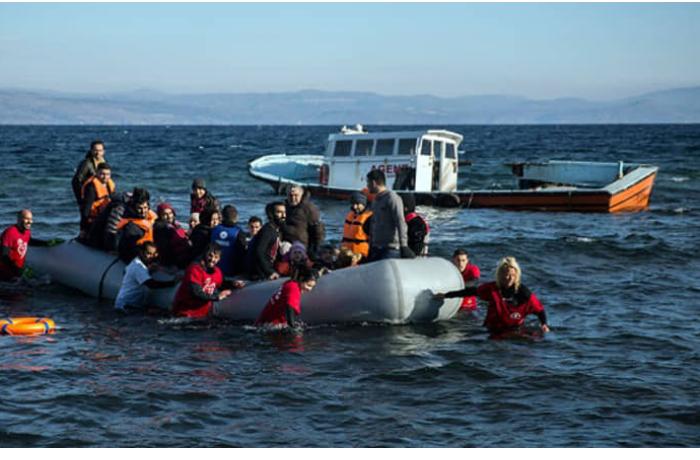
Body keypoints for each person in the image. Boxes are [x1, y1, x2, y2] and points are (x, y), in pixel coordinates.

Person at [435, 256, 550, 336]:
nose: (509, 278)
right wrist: (446, 295)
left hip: (514, 330)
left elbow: (539, 310)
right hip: (491, 330)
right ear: (500, 275)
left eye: (512, 275)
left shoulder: (524, 293)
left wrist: (544, 324)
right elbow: (472, 291)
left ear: (517, 275)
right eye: (506, 275)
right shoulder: (492, 289)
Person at [114, 242, 179, 312]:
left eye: (153, 254)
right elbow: (151, 284)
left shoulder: (137, 262)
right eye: (148, 253)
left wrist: (148, 271)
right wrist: (173, 283)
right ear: (141, 252)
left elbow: (126, 271)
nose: (151, 257)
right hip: (126, 305)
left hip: (131, 304)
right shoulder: (138, 267)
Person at [172, 243, 233, 318]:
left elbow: (221, 284)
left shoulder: (217, 272)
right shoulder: (194, 269)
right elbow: (196, 292)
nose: (212, 259)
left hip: (203, 315)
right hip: (184, 313)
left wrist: (233, 284)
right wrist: (217, 297)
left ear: (219, 259)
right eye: (210, 255)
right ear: (205, 254)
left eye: (216, 257)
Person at [365, 169, 415, 261]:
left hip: (390, 249)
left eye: (368, 183)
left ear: (374, 183)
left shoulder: (392, 198)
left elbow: (400, 222)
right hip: (376, 248)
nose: (367, 186)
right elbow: (373, 224)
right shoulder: (375, 201)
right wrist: (370, 246)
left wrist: (404, 246)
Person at [0, 210, 47, 281]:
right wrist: (18, 270)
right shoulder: (10, 232)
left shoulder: (27, 231)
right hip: (4, 274)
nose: (30, 222)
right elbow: (4, 256)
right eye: (27, 219)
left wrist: (47, 243)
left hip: (17, 272)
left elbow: (29, 241)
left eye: (31, 219)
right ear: (19, 219)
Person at [282, 185, 325, 258]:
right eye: (290, 195)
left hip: (302, 246)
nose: (293, 198)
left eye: (296, 195)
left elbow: (318, 229)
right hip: (285, 245)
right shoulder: (283, 207)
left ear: (301, 195)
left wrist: (316, 248)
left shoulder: (309, 208)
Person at [116, 188, 157, 263]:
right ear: (134, 208)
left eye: (145, 208)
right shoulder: (131, 227)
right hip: (137, 256)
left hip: (149, 251)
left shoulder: (148, 217)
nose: (143, 211)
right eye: (139, 208)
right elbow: (128, 253)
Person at [247, 201, 285, 281]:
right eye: (279, 212)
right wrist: (269, 272)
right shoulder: (267, 231)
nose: (283, 215)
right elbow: (258, 252)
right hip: (260, 275)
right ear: (271, 214)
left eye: (284, 212)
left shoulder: (275, 229)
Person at [211, 205, 247, 277]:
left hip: (214, 268)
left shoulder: (214, 230)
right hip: (232, 271)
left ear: (222, 216)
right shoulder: (239, 232)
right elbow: (242, 253)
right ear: (236, 217)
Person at [80, 162, 116, 234]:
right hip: (94, 220)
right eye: (102, 174)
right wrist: (83, 228)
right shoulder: (91, 187)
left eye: (108, 174)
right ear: (96, 173)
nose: (105, 177)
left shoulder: (109, 184)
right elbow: (86, 209)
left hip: (106, 217)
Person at [153, 202, 191, 268]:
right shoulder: (161, 228)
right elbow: (165, 249)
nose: (169, 216)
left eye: (170, 213)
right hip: (173, 261)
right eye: (165, 214)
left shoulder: (175, 225)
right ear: (160, 215)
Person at [71, 140, 106, 206]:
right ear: (91, 151)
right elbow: (76, 181)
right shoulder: (86, 163)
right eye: (95, 150)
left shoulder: (103, 162)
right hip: (88, 196)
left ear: (103, 151)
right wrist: (81, 198)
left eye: (100, 150)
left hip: (98, 195)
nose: (98, 153)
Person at [341, 191, 373, 261]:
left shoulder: (369, 217)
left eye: (357, 204)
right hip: (346, 254)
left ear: (364, 204)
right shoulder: (351, 215)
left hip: (361, 255)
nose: (355, 206)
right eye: (353, 204)